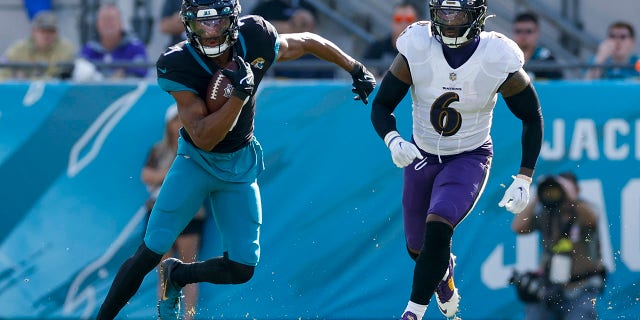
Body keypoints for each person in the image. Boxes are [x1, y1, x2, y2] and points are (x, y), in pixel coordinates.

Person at [95, 0, 375, 319]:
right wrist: (239, 97)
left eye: (218, 22)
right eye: (203, 24)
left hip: (240, 163)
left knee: (242, 268)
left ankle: (177, 276)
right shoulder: (179, 63)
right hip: (196, 161)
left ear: (234, 20)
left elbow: (305, 41)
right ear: (188, 24)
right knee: (150, 250)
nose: (211, 33)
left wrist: (354, 67)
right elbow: (204, 136)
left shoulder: (254, 36)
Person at [369, 0, 543, 319]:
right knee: (418, 249)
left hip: (469, 155)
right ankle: (444, 272)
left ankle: (413, 312)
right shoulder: (417, 45)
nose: (449, 21)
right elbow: (381, 106)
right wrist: (392, 139)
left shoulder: (497, 56)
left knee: (439, 226)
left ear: (477, 16)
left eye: (457, 13)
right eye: (443, 12)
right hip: (421, 154)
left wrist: (524, 177)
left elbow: (532, 116)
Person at [141, 105, 207, 320]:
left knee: (190, 270)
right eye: (174, 120)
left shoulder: (198, 149)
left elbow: (197, 181)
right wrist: (169, 174)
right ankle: (165, 317)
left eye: (181, 119)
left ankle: (188, 318)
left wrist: (166, 176)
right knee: (164, 273)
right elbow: (147, 176)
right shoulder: (158, 150)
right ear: (167, 125)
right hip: (161, 215)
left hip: (189, 214)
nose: (178, 124)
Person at [511, 172, 606, 320]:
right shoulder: (547, 214)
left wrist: (570, 198)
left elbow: (592, 220)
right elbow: (518, 227)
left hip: (582, 286)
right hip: (552, 288)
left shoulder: (582, 210)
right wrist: (537, 195)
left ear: (576, 190)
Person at [79, 3, 149, 79]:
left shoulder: (135, 48)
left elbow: (140, 75)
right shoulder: (89, 49)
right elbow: (77, 76)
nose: (108, 24)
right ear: (97, 24)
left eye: (111, 20)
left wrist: (124, 77)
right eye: (104, 20)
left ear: (121, 23)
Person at [0, 10, 75, 80]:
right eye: (42, 31)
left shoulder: (66, 49)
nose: (46, 35)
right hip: (21, 92)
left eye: (50, 31)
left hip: (55, 92)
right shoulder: (18, 49)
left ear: (57, 33)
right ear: (33, 31)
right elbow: (2, 72)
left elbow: (67, 78)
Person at [363, 1, 420, 68]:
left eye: (409, 19)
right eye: (398, 19)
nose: (403, 24)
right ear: (392, 22)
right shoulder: (376, 49)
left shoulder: (425, 49)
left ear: (417, 22)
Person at [512, 12, 563, 80]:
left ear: (537, 32)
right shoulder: (506, 58)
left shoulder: (547, 59)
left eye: (528, 31)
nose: (523, 36)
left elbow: (555, 86)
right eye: (518, 31)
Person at [250, 0, 317, 34]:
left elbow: (315, 32)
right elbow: (252, 27)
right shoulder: (265, 7)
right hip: (274, 52)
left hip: (304, 55)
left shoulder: (307, 7)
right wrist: (291, 26)